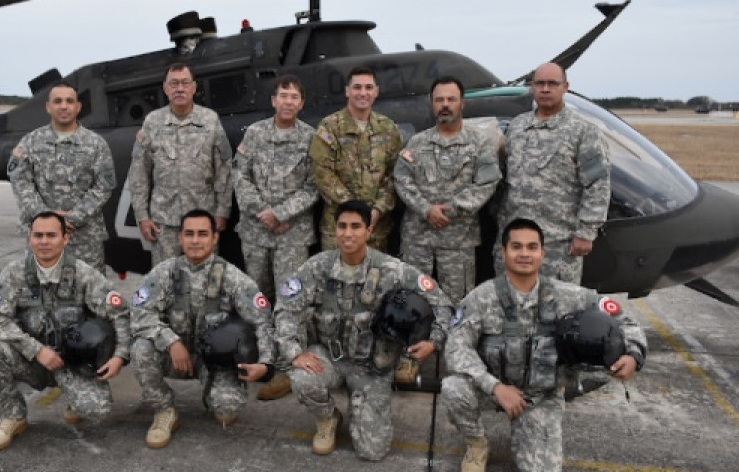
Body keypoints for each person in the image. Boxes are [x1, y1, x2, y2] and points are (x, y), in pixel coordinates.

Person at [441, 218, 647, 472]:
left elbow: (623, 320)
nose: (525, 254)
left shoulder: (568, 296)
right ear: (503, 252)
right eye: (517, 247)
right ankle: (476, 443)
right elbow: (456, 348)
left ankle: (530, 430)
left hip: (541, 397)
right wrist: (495, 387)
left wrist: (633, 356)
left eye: (532, 247)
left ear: (542, 253)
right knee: (453, 388)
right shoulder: (481, 298)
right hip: (493, 388)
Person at [273, 200, 454, 461]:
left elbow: (443, 303)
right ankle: (327, 418)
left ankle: (362, 408)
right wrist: (293, 353)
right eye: (342, 226)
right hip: (329, 357)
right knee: (302, 378)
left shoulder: (392, 270)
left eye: (356, 226)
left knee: (372, 451)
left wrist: (434, 343)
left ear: (369, 231)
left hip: (371, 366)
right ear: (334, 230)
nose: (348, 233)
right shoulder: (318, 267)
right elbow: (285, 308)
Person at [0, 211, 130, 452]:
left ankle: (73, 397)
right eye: (38, 235)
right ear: (30, 238)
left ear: (65, 239)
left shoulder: (83, 274)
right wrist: (36, 350)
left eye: (51, 235)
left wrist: (120, 356)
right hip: (30, 360)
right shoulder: (14, 273)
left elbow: (120, 314)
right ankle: (12, 416)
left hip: (71, 364)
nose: (44, 241)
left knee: (97, 409)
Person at [129, 209, 276, 449]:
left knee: (227, 408)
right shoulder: (165, 272)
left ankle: (213, 395)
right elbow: (139, 313)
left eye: (202, 234)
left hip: (215, 362)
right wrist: (170, 341)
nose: (195, 240)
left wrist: (266, 365)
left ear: (214, 238)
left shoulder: (232, 277)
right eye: (189, 234)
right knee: (141, 349)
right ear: (180, 238)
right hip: (174, 357)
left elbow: (262, 321)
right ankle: (164, 410)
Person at [232, 74, 318, 400]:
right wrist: (263, 213)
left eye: (294, 97)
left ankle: (286, 368)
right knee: (258, 299)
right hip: (256, 231)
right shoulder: (254, 134)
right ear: (273, 100)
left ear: (302, 103)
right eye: (283, 95)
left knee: (290, 301)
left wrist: (282, 214)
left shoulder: (311, 138)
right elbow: (239, 176)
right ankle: (260, 359)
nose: (288, 101)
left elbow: (314, 185)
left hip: (292, 234)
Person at [496, 62, 610, 283]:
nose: (546, 89)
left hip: (558, 244)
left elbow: (598, 184)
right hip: (515, 241)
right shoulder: (517, 127)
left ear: (565, 87)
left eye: (552, 84)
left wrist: (586, 232)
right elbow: (503, 178)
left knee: (556, 310)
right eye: (540, 83)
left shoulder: (584, 132)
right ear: (532, 87)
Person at [394, 75, 501, 305]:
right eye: (439, 100)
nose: (445, 105)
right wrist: (426, 209)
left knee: (456, 306)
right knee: (413, 304)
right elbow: (402, 178)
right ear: (432, 104)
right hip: (417, 242)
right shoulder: (417, 142)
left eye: (451, 99)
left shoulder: (480, 143)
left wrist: (451, 210)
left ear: (462, 103)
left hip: (457, 244)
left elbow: (486, 184)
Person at [128, 63, 233, 266]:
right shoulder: (152, 122)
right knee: (165, 281)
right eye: (174, 83)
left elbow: (224, 169)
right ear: (166, 88)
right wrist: (142, 216)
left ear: (194, 87)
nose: (179, 89)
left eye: (185, 83)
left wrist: (222, 211)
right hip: (164, 223)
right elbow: (139, 172)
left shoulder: (210, 120)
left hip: (202, 219)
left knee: (204, 278)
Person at [8, 82, 116, 272]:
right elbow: (20, 181)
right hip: (43, 236)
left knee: (89, 290)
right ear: (48, 107)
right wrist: (44, 216)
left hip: (84, 237)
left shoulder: (96, 144)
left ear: (78, 107)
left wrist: (74, 218)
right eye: (58, 101)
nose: (64, 106)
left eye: (69, 101)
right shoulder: (30, 142)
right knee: (41, 288)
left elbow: (104, 185)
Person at [308, 67, 403, 251]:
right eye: (357, 87)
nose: (363, 93)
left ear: (376, 91)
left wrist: (377, 210)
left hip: (376, 229)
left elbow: (395, 174)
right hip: (340, 229)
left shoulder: (388, 128)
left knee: (374, 278)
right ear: (347, 91)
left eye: (368, 87)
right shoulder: (330, 127)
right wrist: (355, 212)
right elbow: (322, 174)